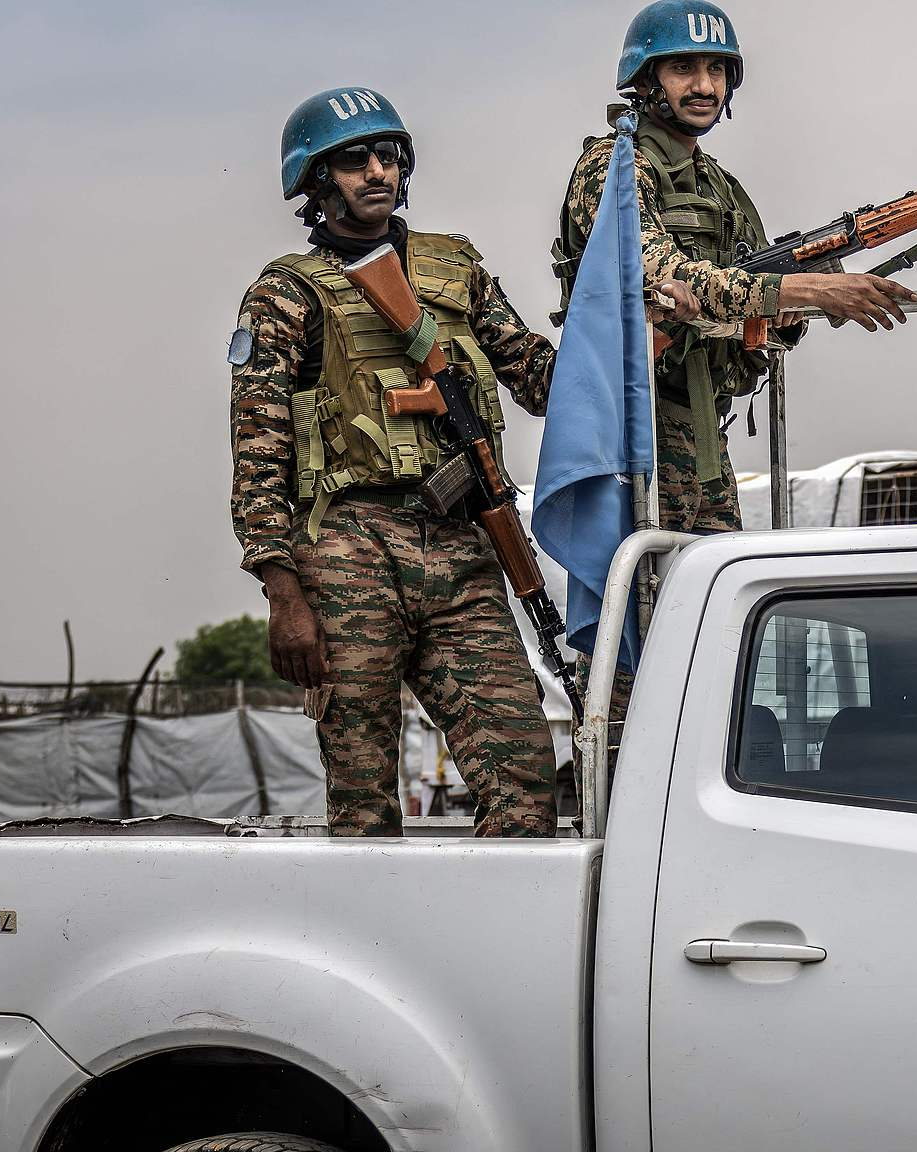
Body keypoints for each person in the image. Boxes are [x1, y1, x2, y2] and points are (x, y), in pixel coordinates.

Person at [230, 86, 698, 837]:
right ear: (316, 182)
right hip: (349, 551)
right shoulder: (287, 293)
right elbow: (257, 447)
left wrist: (636, 334)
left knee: (521, 773)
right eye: (354, 161)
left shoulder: (456, 271)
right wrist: (282, 589)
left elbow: (542, 378)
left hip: (461, 543)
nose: (377, 171)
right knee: (363, 793)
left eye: (389, 156)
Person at [553, 0, 916, 533]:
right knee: (641, 603)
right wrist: (811, 290)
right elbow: (666, 277)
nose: (704, 85)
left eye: (717, 69)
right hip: (630, 430)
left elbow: (753, 306)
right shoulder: (612, 168)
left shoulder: (720, 188)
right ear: (645, 78)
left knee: (711, 598)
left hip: (703, 437)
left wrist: (783, 318)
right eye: (684, 68)